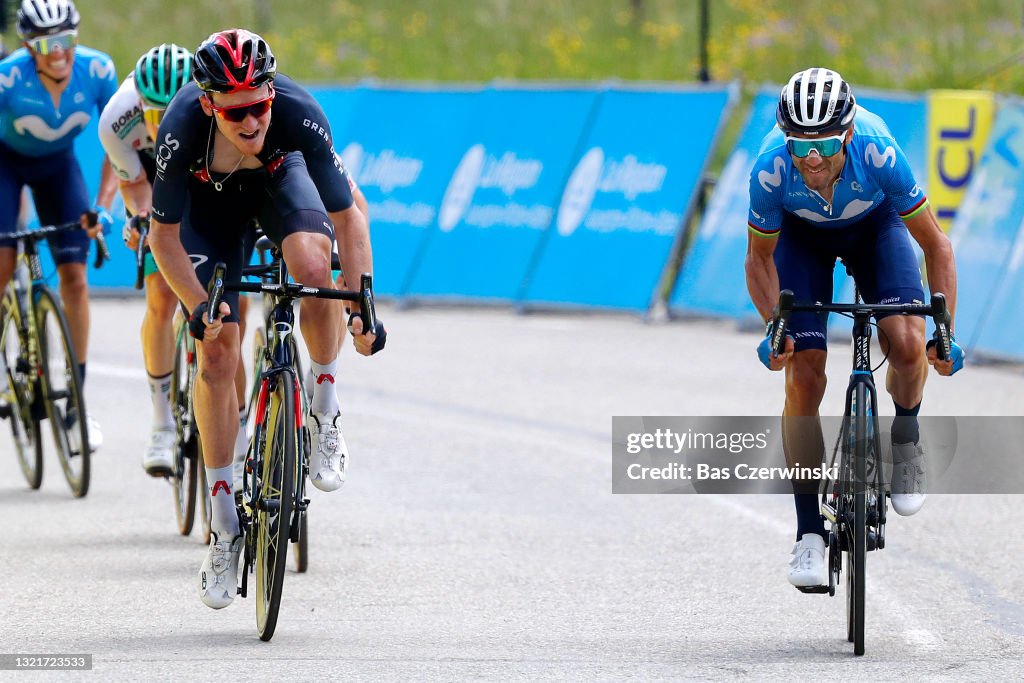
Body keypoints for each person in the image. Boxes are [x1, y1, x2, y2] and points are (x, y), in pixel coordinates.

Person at [148, 29, 385, 609]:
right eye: (235, 113)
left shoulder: (298, 113)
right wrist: (200, 307)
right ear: (208, 104)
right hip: (210, 214)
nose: (251, 121)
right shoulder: (180, 129)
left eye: (259, 104)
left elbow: (352, 219)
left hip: (280, 184)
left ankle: (324, 411)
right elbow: (163, 236)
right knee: (219, 347)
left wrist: (360, 306)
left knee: (312, 266)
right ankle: (225, 523)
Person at [744, 67, 964, 590]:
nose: (812, 157)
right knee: (803, 375)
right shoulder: (771, 168)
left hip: (875, 226)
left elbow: (937, 246)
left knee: (909, 344)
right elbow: (759, 259)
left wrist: (945, 332)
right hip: (802, 239)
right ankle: (807, 535)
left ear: (845, 134)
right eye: (800, 144)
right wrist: (776, 328)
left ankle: (906, 439)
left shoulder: (879, 152)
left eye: (822, 142)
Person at [98, 43, 252, 479]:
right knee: (162, 294)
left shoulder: (208, 108)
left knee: (232, 311)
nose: (164, 121)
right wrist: (141, 221)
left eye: (172, 110)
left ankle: (238, 428)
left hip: (200, 171)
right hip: (149, 174)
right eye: (155, 114)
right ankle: (162, 421)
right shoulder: (115, 121)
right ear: (139, 104)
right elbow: (135, 187)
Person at [0, 0, 119, 450]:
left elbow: (118, 144)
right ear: (29, 46)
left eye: (66, 40)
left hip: (58, 168)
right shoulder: (8, 77)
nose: (59, 53)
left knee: (74, 276)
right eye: (48, 43)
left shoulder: (98, 70)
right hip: (5, 166)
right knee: (3, 259)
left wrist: (101, 205)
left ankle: (76, 403)